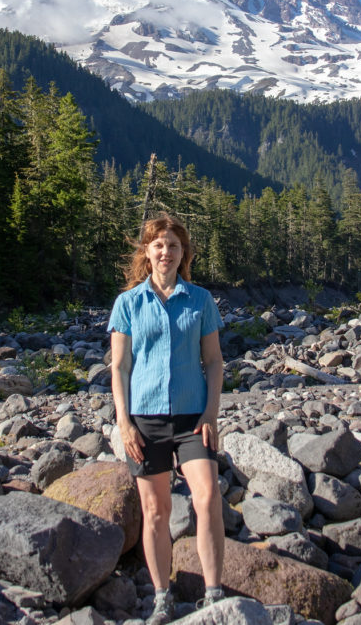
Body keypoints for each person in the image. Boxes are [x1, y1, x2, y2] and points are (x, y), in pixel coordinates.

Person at [109, 213, 226, 624]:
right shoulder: (128, 303)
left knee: (207, 497)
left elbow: (214, 362)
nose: (166, 252)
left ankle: (213, 593)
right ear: (147, 251)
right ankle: (163, 597)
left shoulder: (200, 300)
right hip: (145, 420)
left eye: (173, 245)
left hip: (194, 417)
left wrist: (211, 412)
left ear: (183, 253)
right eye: (158, 245)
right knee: (155, 510)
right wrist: (123, 423)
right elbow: (120, 367)